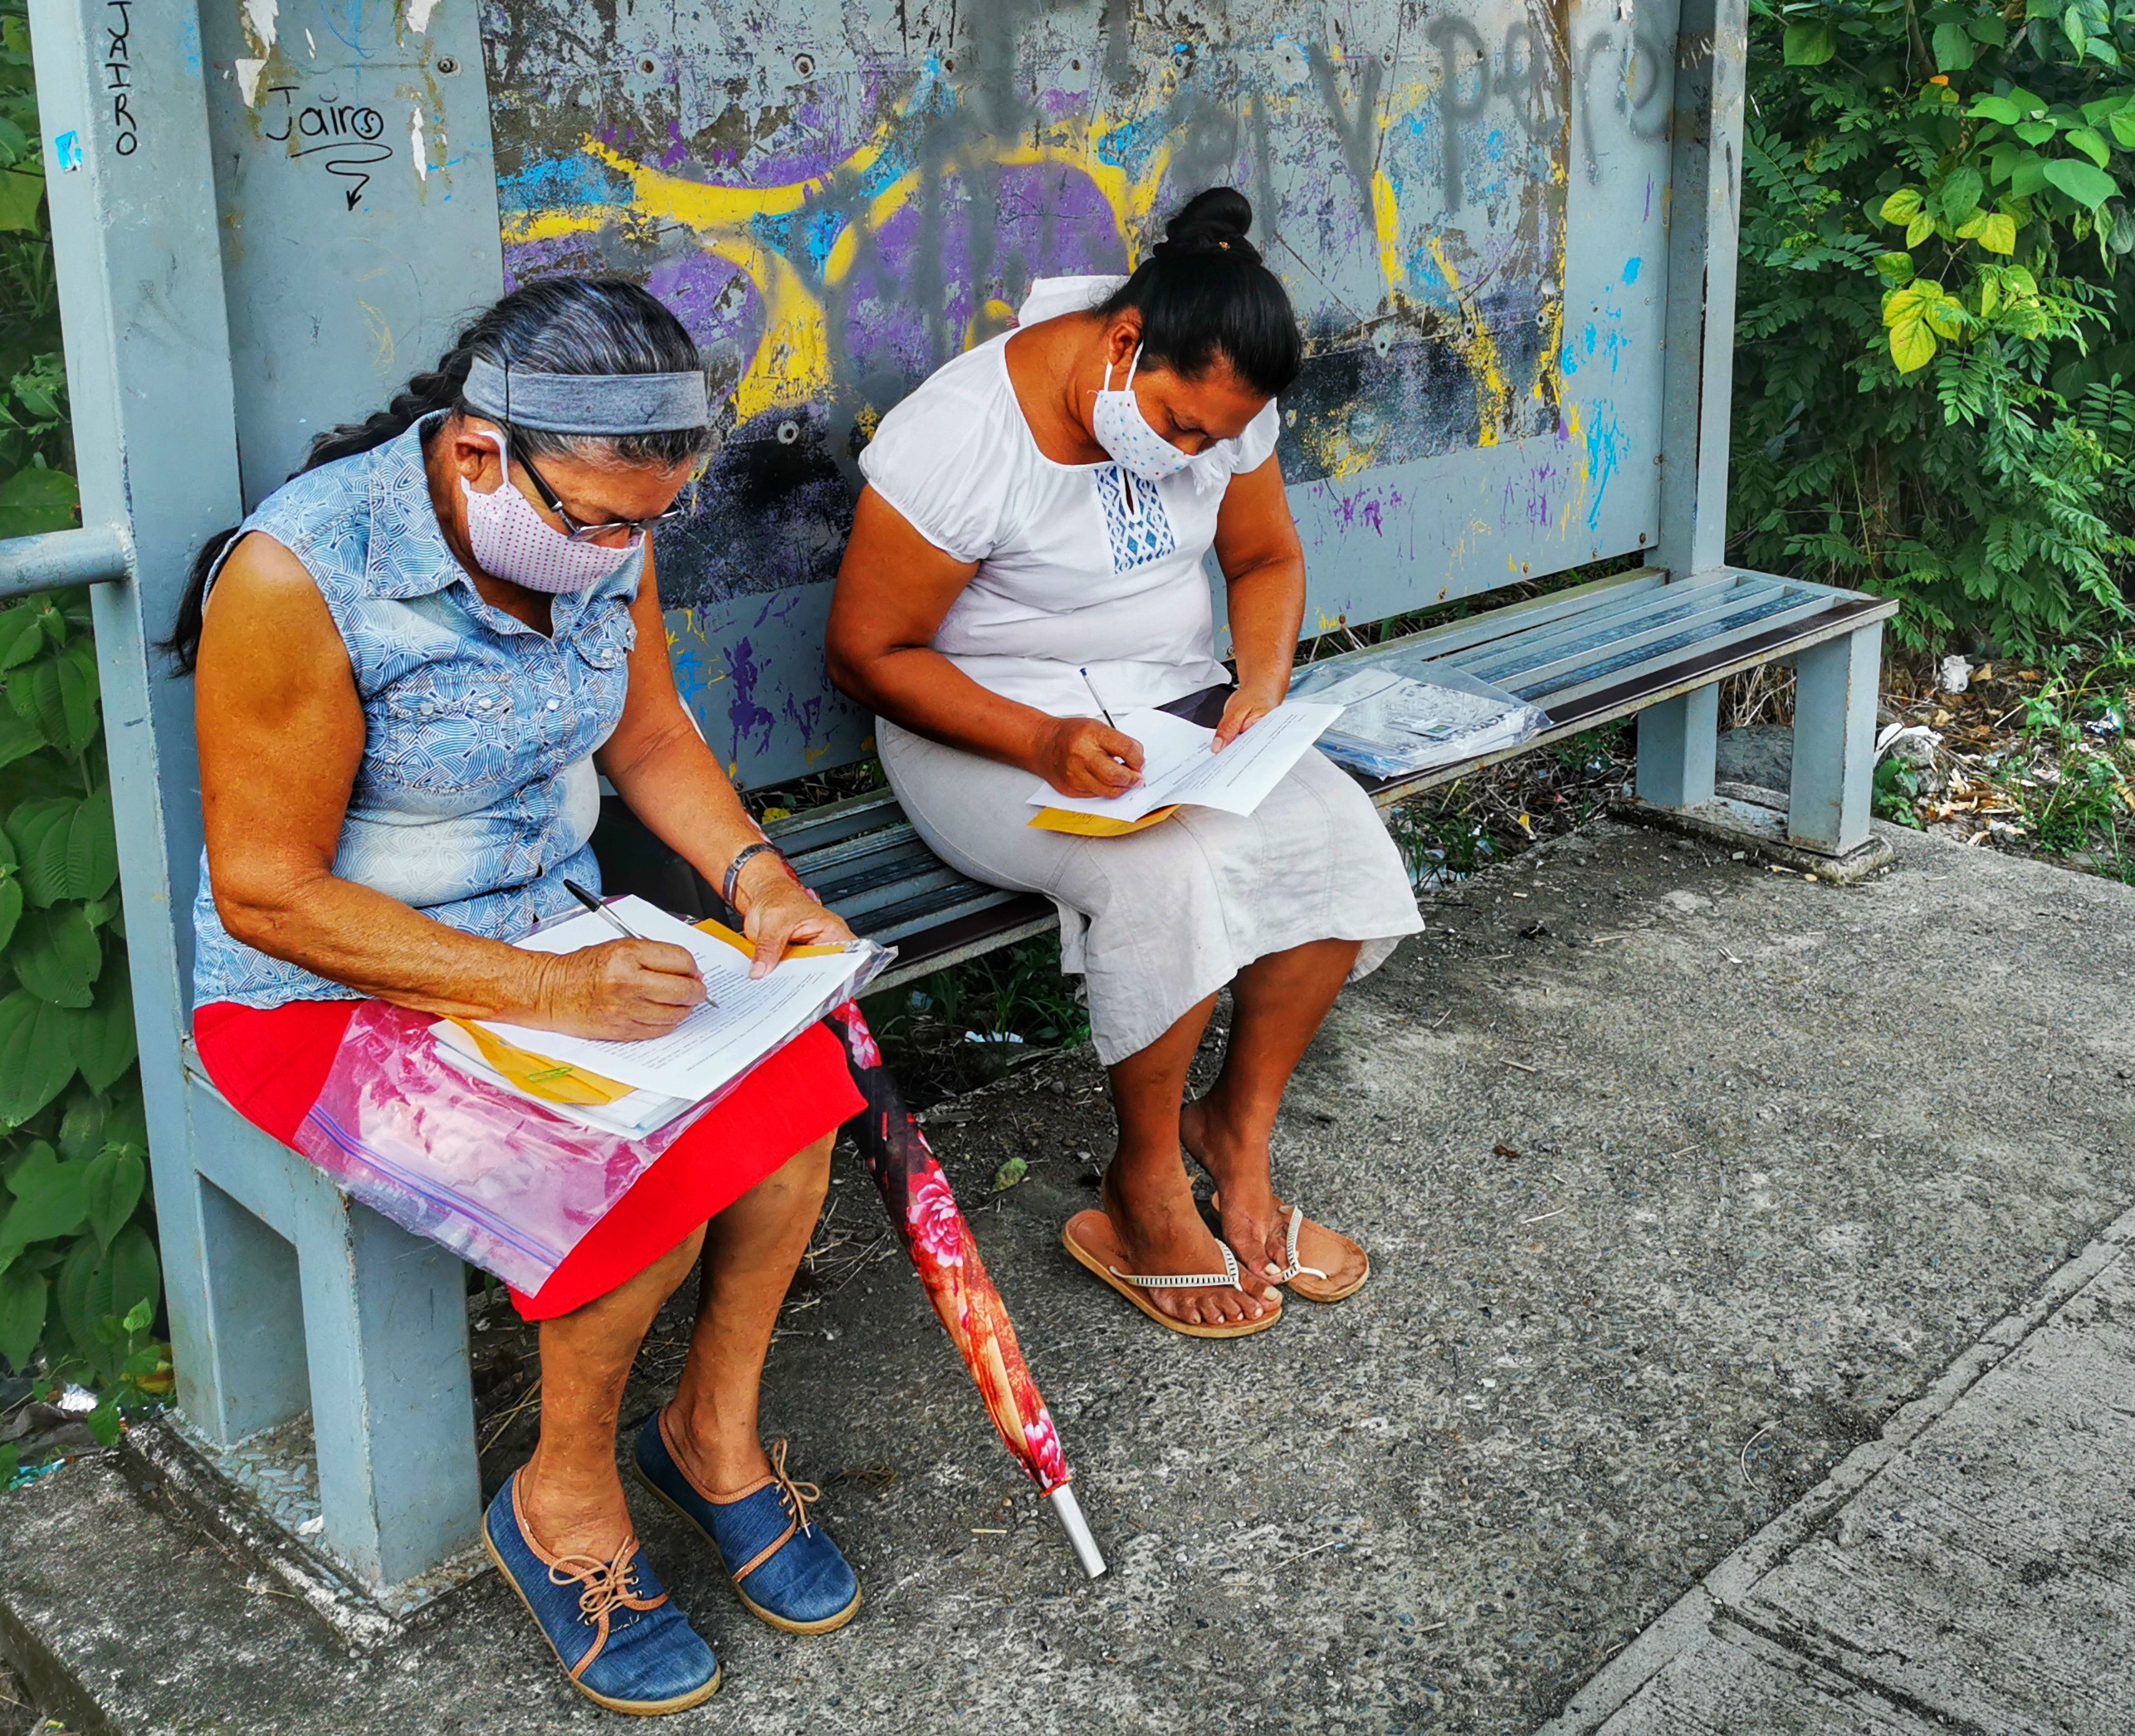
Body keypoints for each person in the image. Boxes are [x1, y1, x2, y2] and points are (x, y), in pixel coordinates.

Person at [179, 277, 864, 1716]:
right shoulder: (299, 578)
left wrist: (757, 881)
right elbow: (267, 894)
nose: (623, 552)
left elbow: (654, 732)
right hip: (323, 988)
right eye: (602, 523)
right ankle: (563, 1504)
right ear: (480, 451)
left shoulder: (599, 525)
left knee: (798, 1099)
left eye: (646, 527)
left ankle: (709, 1437)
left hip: (556, 937)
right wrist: (544, 990)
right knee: (632, 1176)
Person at [826, 188, 1422, 1338]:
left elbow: (1262, 562)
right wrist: (1038, 739)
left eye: (1214, 437)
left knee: (1335, 830)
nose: (1197, 451)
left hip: (1166, 704)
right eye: (1184, 427)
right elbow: (866, 655)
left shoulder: (1223, 403)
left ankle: (1233, 1137)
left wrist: (1256, 683)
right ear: (1121, 341)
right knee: (1162, 874)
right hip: (980, 727)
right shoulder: (965, 432)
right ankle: (1142, 1181)